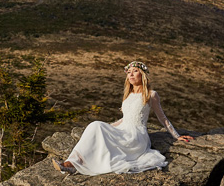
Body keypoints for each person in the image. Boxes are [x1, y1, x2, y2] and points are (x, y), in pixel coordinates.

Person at [53, 61, 193, 176]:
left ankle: (71, 164)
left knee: (97, 127)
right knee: (95, 126)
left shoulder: (151, 94)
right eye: (129, 72)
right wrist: (106, 128)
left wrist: (177, 136)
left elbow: (163, 118)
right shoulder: (128, 95)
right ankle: (71, 163)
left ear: (142, 75)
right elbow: (124, 119)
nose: (131, 74)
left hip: (136, 136)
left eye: (135, 71)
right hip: (123, 130)